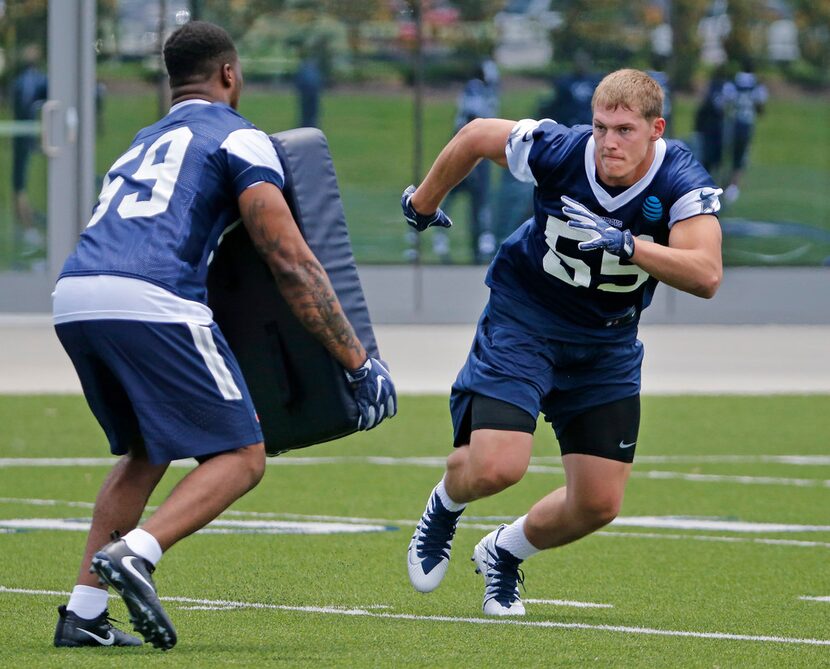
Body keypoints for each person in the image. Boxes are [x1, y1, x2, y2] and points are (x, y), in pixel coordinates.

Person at [51, 20, 396, 650]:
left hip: (74, 296)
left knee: (146, 452)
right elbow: (288, 257)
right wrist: (358, 361)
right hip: (150, 296)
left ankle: (83, 614)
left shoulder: (140, 140)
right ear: (230, 74)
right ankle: (139, 554)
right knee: (241, 456)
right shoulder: (241, 137)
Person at [401, 69, 722, 616]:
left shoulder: (680, 181)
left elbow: (706, 274)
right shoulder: (561, 149)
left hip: (606, 342)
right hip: (525, 321)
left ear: (655, 129)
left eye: (624, 130)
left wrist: (629, 245)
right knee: (498, 467)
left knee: (598, 503)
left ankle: (503, 552)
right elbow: (477, 134)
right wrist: (423, 204)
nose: (609, 143)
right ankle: (444, 505)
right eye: (601, 127)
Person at [432, 61, 500, 264]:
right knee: (460, 196)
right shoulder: (476, 88)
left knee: (477, 202)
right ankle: (442, 237)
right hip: (470, 151)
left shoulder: (485, 91)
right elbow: (473, 118)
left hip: (477, 152)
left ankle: (479, 243)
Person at [11, 44, 49, 259]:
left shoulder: (29, 81)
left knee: (21, 184)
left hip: (27, 139)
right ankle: (28, 228)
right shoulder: (32, 80)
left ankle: (29, 227)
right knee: (20, 184)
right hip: (26, 138)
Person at [723, 61, 767, 204]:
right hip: (747, 123)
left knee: (729, 153)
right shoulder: (756, 85)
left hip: (733, 122)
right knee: (741, 155)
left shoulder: (733, 82)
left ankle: (725, 182)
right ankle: (733, 185)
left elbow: (726, 101)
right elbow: (760, 107)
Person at [694, 66, 731, 180]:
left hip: (708, 127)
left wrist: (698, 126)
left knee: (708, 156)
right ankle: (714, 179)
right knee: (715, 156)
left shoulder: (711, 89)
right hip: (716, 127)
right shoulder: (724, 88)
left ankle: (708, 177)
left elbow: (701, 110)